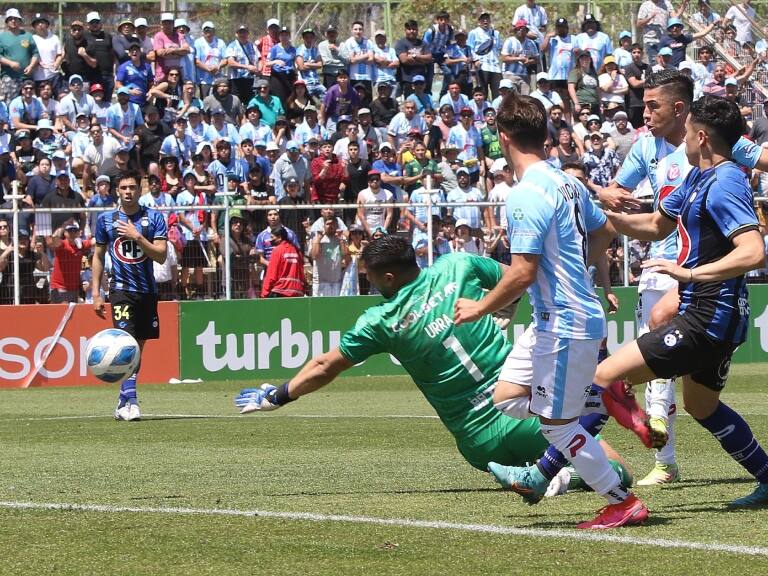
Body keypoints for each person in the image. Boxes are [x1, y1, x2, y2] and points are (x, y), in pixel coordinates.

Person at [234, 236, 633, 496]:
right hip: (527, 415)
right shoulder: (457, 266)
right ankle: (562, 477)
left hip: (477, 443)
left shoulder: (381, 321)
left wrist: (279, 395)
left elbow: (325, 365)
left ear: (388, 278)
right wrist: (502, 310)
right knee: (617, 469)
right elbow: (519, 278)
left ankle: (548, 474)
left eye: (370, 277)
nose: (368, 283)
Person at [453, 94, 649, 529]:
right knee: (505, 398)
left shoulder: (524, 194)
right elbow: (604, 231)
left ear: (503, 138)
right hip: (557, 318)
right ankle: (597, 396)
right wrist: (578, 270)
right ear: (544, 134)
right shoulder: (569, 182)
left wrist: (479, 308)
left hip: (564, 319)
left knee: (557, 427)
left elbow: (522, 272)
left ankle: (623, 501)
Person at [595, 95, 768, 508]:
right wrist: (600, 213)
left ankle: (544, 470)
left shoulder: (725, 180)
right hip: (710, 314)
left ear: (702, 137)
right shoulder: (696, 178)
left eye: (688, 132)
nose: (683, 141)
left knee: (603, 376)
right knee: (701, 405)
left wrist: (688, 274)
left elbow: (753, 251)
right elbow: (655, 225)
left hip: (710, 314)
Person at [91, 172, 168, 421]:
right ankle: (131, 401)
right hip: (121, 290)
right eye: (123, 187)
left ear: (140, 190)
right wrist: (95, 291)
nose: (128, 192)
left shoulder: (154, 217)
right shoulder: (105, 220)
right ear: (117, 190)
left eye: (132, 187)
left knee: (138, 347)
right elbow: (98, 256)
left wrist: (137, 236)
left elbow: (161, 255)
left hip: (147, 291)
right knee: (127, 342)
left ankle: (123, 400)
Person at [0, 8, 40, 103]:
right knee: (10, 103)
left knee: (29, 105)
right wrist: (10, 63)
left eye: (16, 18)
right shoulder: (2, 37)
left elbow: (35, 53)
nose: (13, 21)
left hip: (27, 77)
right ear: (7, 21)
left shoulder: (28, 36)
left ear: (20, 20)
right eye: (10, 19)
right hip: (9, 77)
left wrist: (31, 66)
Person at [49, 220, 92, 303]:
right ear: (65, 233)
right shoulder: (62, 244)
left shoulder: (81, 245)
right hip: (59, 287)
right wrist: (63, 226)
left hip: (73, 289)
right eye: (70, 231)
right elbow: (54, 239)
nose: (72, 233)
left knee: (71, 314)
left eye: (75, 230)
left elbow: (94, 242)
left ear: (78, 233)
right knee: (61, 312)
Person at [260, 224, 305, 298]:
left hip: (280, 292)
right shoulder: (297, 251)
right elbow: (302, 273)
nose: (270, 240)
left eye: (272, 237)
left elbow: (272, 274)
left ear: (279, 237)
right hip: (297, 292)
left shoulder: (277, 250)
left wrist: (264, 293)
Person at [310, 215, 350, 297]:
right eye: (328, 224)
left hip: (336, 282)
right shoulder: (317, 239)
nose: (331, 226)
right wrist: (318, 239)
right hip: (320, 283)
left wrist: (341, 240)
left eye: (333, 224)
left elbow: (346, 255)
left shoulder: (341, 239)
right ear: (323, 226)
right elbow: (314, 256)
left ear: (337, 226)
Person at [468, 12, 502, 100]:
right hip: (482, 66)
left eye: (487, 18)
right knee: (483, 92)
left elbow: (498, 48)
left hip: (495, 67)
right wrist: (475, 61)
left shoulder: (496, 33)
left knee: (498, 93)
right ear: (479, 21)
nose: (485, 20)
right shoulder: (474, 33)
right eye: (483, 19)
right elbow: (470, 48)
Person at [194, 21, 226, 99]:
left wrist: (217, 67)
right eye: (206, 30)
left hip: (218, 79)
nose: (208, 33)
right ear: (202, 32)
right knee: (205, 101)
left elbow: (225, 59)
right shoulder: (198, 42)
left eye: (210, 30)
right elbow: (196, 61)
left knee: (218, 101)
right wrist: (208, 69)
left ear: (214, 31)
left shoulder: (220, 42)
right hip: (204, 80)